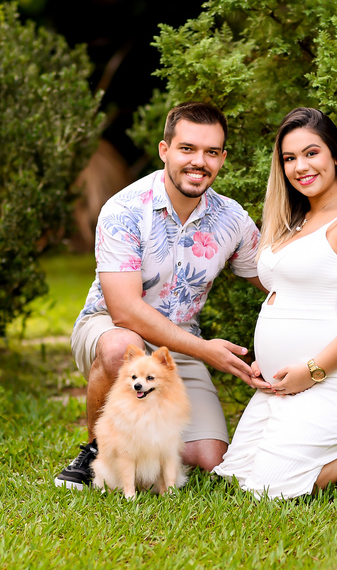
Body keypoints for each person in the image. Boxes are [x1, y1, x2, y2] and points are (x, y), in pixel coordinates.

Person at [54, 102, 265, 489]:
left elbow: (271, 280)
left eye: (211, 152)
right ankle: (96, 451)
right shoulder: (124, 209)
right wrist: (206, 351)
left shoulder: (232, 219)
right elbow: (125, 311)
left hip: (178, 345)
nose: (199, 161)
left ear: (222, 158)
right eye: (187, 149)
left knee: (209, 458)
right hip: (108, 327)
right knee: (124, 346)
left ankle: (147, 441)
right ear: (165, 150)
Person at [213, 107, 337, 499]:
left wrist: (313, 370)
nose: (299, 166)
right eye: (289, 158)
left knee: (271, 489)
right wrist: (268, 360)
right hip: (283, 385)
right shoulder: (294, 221)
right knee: (237, 477)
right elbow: (289, 296)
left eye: (311, 153)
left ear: (335, 157)